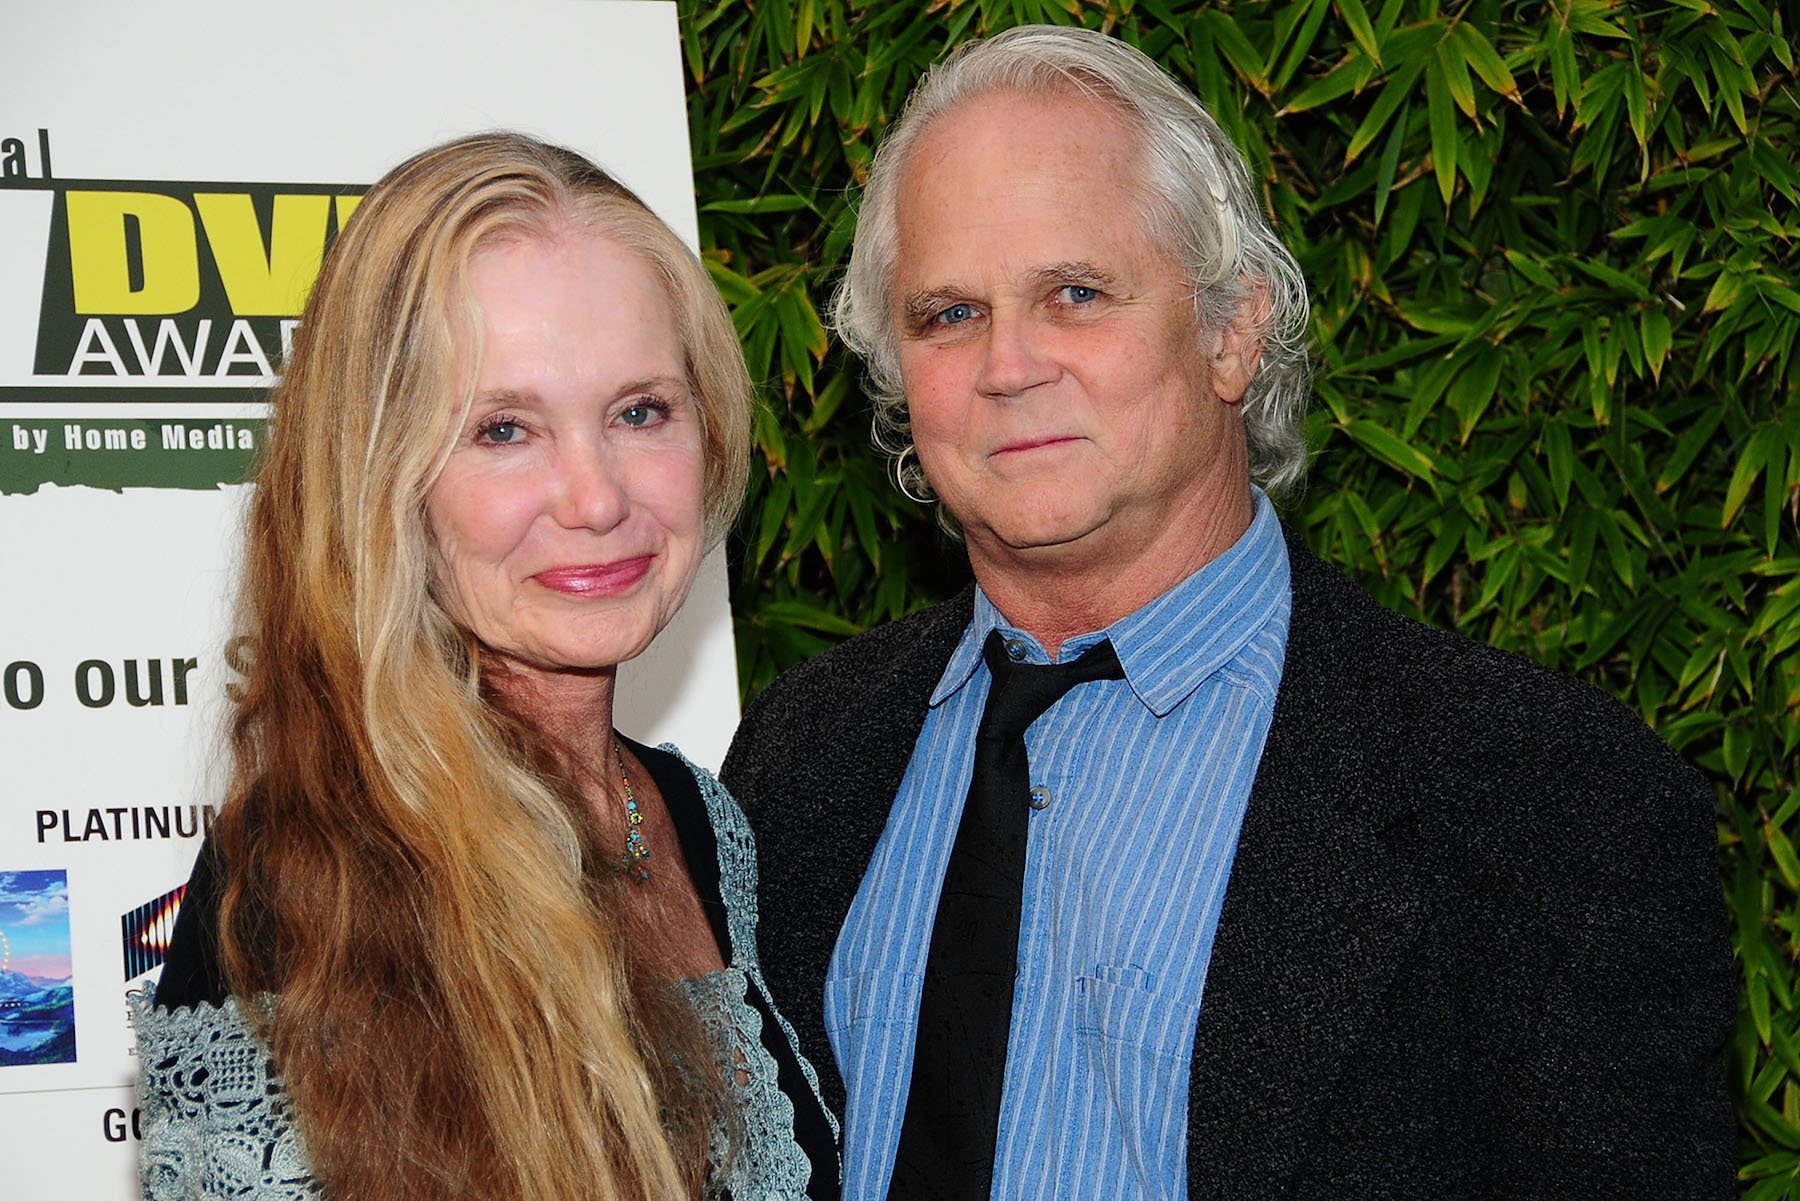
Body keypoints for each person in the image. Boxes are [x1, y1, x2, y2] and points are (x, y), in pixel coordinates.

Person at [722, 25, 1735, 1200]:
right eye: (948, 314)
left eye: (1076, 293)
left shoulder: (1545, 798)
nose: (1008, 365)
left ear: (1232, 329)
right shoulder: (796, 761)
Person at [132, 132, 836, 1201]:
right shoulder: (303, 883)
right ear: (383, 479)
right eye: (504, 428)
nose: (596, 497)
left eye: (641, 411)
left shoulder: (700, 819)